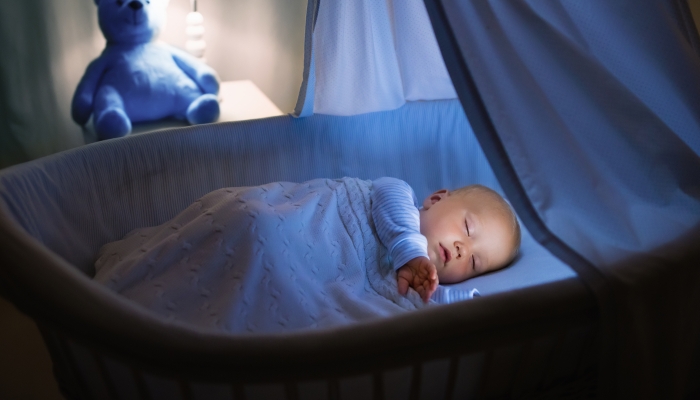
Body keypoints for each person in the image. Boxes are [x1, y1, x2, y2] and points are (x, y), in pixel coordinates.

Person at [371, 177, 521, 303]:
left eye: (474, 261)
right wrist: (409, 249)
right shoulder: (400, 197)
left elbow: (431, 301)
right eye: (468, 228)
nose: (463, 250)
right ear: (436, 199)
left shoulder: (416, 282)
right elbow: (385, 189)